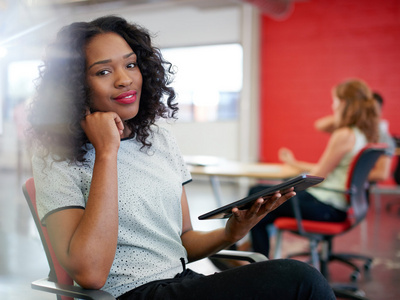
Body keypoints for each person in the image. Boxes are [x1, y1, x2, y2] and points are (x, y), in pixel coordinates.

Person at [27, 15, 335, 300]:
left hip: (180, 283)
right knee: (300, 280)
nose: (124, 80)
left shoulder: (158, 139)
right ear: (74, 86)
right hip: (126, 295)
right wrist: (107, 152)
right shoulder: (57, 157)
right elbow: (91, 274)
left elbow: (183, 240)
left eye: (131, 65)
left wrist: (232, 232)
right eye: (104, 71)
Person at [249, 78, 380, 258]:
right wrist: (294, 164)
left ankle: (255, 264)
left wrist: (287, 186)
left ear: (344, 104)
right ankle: (255, 258)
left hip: (326, 207)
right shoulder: (362, 135)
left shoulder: (343, 134)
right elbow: (329, 169)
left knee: (256, 194)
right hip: (339, 206)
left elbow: (317, 176)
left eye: (335, 101)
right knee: (265, 209)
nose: (332, 107)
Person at [315, 91, 395, 182]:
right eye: (366, 111)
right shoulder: (356, 132)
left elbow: (381, 174)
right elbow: (320, 125)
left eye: (371, 111)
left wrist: (346, 175)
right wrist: (348, 116)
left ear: (379, 112)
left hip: (353, 184)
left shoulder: (383, 139)